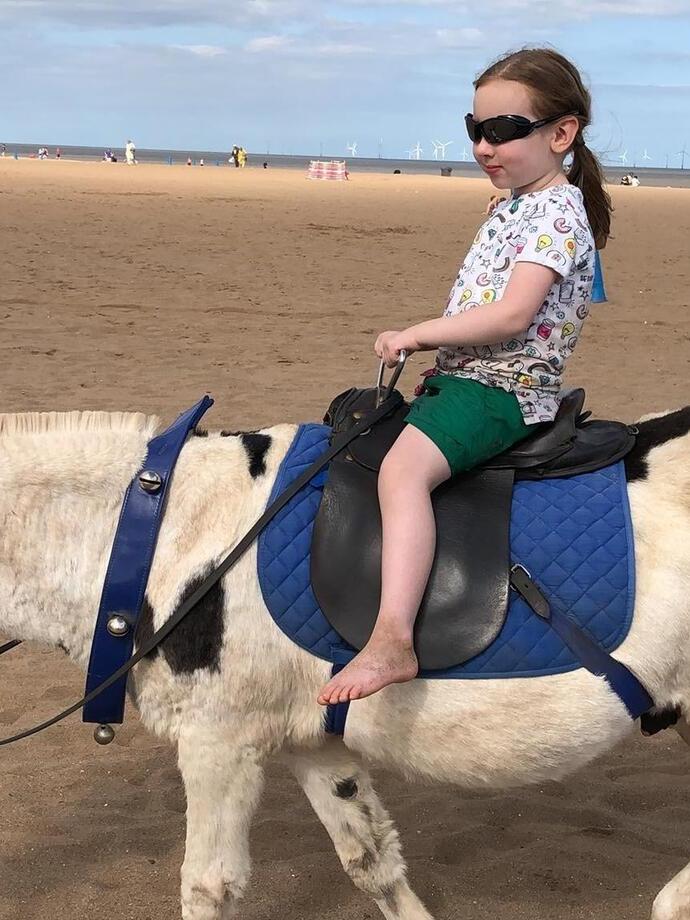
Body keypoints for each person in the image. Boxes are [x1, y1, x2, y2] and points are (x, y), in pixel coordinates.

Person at [318, 46, 611, 706]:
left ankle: (392, 639)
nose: (485, 144)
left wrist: (417, 333)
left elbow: (510, 316)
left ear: (561, 134)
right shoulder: (522, 205)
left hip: (501, 388)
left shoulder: (557, 213)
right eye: (475, 129)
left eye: (505, 130)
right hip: (469, 379)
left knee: (401, 472)